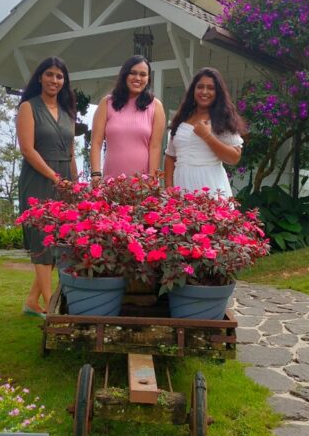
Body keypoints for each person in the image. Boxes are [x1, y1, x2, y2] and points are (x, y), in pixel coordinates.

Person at [16, 57, 78, 316]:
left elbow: (72, 153)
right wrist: (55, 177)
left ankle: (32, 302)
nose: (54, 80)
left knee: (58, 242)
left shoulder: (67, 113)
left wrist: (74, 186)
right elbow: (28, 150)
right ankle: (53, 308)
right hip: (38, 179)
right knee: (42, 242)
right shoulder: (28, 108)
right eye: (50, 74)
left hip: (64, 180)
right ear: (40, 77)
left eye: (59, 76)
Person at [164, 67, 246, 197]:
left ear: (218, 92)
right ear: (193, 90)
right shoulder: (181, 118)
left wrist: (207, 136)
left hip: (210, 186)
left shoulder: (223, 119)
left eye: (211, 88)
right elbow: (170, 155)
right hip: (181, 186)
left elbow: (234, 157)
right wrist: (168, 186)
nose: (204, 91)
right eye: (200, 87)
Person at [89, 55, 165, 183]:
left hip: (141, 185)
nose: (137, 78)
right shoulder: (107, 103)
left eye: (143, 74)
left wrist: (152, 181)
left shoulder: (155, 106)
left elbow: (155, 147)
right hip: (111, 182)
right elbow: (96, 143)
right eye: (133, 73)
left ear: (148, 78)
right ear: (124, 75)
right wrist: (96, 175)